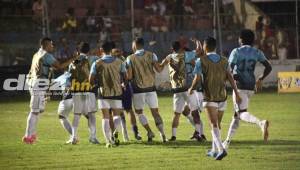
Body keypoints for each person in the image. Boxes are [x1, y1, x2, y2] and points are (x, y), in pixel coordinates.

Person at [188, 36, 242, 160]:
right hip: (222, 97)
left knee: (213, 125)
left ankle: (221, 149)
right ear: (215, 47)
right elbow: (230, 77)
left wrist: (191, 88)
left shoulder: (201, 60)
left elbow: (197, 78)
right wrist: (237, 93)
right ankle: (213, 150)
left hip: (210, 97)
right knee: (217, 124)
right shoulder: (224, 60)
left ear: (205, 47)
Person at [223, 29, 272, 149]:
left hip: (239, 86)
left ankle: (260, 123)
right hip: (251, 86)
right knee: (236, 115)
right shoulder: (257, 52)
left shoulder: (236, 51)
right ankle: (227, 142)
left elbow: (228, 69)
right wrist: (260, 78)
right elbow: (268, 67)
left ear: (241, 39)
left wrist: (225, 82)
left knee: (241, 113)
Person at [22, 37, 78, 144]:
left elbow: (44, 68)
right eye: (51, 45)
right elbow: (60, 66)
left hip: (34, 83)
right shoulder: (46, 55)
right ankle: (27, 136)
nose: (52, 46)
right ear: (46, 45)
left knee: (38, 111)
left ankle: (32, 135)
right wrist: (73, 58)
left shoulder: (36, 54)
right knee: (34, 111)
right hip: (39, 85)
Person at [161, 41, 204, 142]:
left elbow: (160, 66)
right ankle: (198, 133)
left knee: (177, 114)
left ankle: (173, 136)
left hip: (177, 89)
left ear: (172, 49)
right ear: (181, 47)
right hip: (188, 88)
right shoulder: (187, 54)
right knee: (194, 112)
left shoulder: (169, 56)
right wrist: (197, 41)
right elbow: (200, 51)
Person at [126, 37, 166, 142]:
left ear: (134, 45)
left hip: (138, 90)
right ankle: (163, 135)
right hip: (151, 89)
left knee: (139, 112)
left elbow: (129, 76)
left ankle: (149, 131)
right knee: (155, 112)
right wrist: (165, 62)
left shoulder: (130, 58)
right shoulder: (152, 55)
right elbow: (159, 69)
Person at [89, 41, 127, 148]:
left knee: (105, 117)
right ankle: (115, 132)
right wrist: (123, 84)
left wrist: (96, 84)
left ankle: (108, 141)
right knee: (116, 115)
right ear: (111, 50)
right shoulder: (120, 62)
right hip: (117, 92)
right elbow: (126, 77)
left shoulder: (97, 63)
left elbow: (90, 79)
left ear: (101, 50)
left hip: (103, 93)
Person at [68, 42, 99, 144]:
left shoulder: (74, 61)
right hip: (89, 90)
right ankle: (93, 137)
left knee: (76, 115)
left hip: (77, 90)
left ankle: (73, 137)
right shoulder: (93, 59)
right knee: (91, 115)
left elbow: (69, 75)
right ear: (88, 50)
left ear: (78, 50)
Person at [112, 47, 142, 141]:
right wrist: (126, 83)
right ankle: (135, 133)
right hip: (126, 87)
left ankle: (124, 134)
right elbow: (129, 75)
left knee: (118, 112)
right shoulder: (125, 61)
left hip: (116, 89)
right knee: (129, 110)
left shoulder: (111, 63)